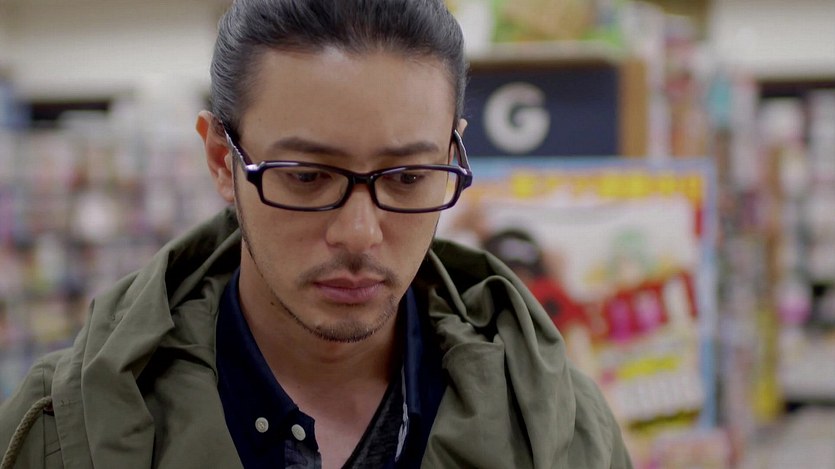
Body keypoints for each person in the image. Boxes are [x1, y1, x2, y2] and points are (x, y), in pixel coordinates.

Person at [0, 0, 632, 467]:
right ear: (222, 160)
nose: (359, 233)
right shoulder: (60, 433)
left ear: (452, 152)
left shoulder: (559, 432)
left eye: (408, 177)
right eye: (306, 177)